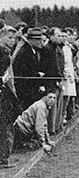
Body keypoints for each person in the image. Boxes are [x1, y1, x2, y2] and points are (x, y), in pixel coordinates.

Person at [0, 25, 23, 169]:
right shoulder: (3, 52)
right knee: (6, 125)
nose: (12, 41)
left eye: (14, 38)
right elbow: (6, 77)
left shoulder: (7, 52)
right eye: (9, 38)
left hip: (6, 91)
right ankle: (4, 159)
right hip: (4, 93)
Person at [12, 27, 45, 110]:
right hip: (25, 91)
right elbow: (24, 72)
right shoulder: (25, 52)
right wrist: (38, 75)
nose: (41, 42)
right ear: (31, 40)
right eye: (38, 40)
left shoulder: (31, 51)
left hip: (30, 90)